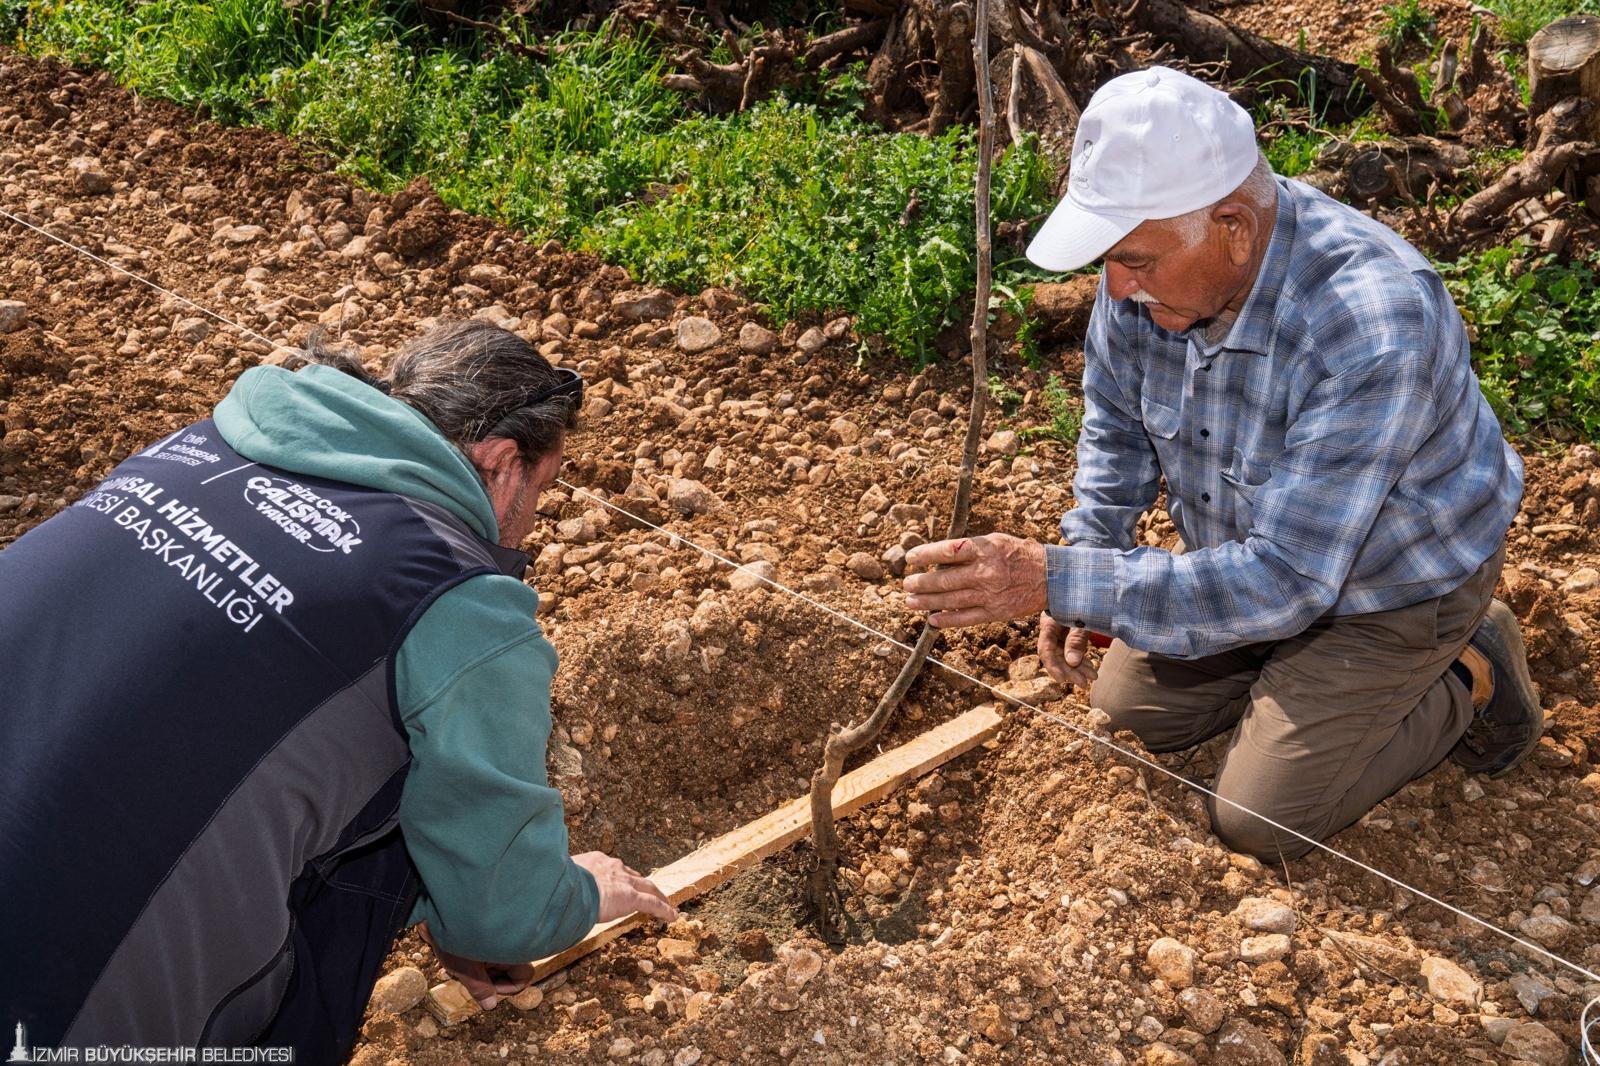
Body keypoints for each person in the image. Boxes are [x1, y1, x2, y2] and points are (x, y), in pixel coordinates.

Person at [902, 67, 1541, 862]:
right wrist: (1089, 551)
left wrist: (1054, 576)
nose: (1115, 287)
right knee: (1126, 710)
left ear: (1235, 226)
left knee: (1258, 818)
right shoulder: (1145, 269)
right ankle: (1285, 671)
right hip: (1246, 560)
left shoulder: (1372, 322)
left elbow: (1287, 580)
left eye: (1134, 261)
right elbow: (1116, 424)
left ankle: (1468, 666)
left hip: (1388, 587)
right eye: (1109, 258)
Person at [0, 321, 676, 1060]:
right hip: (56, 1003)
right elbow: (505, 916)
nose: (531, 527)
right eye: (542, 490)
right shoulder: (455, 598)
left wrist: (428, 900)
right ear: (504, 463)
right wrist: (573, 896)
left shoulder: (201, 447)